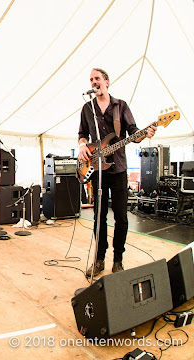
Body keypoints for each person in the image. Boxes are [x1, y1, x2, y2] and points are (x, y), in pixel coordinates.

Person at [79, 68, 156, 277]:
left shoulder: (120, 106)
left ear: (107, 82)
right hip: (98, 172)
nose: (94, 82)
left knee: (121, 217)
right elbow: (82, 134)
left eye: (97, 78)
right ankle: (99, 259)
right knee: (99, 217)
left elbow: (134, 133)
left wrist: (144, 133)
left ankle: (118, 259)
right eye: (91, 79)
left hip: (119, 168)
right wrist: (83, 146)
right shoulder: (87, 108)